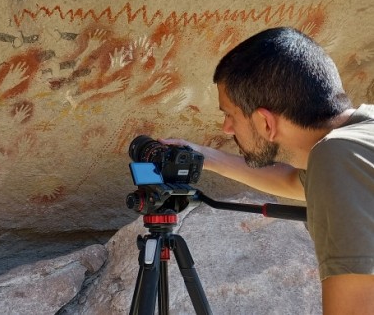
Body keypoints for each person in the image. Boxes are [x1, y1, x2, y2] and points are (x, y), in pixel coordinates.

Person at [160, 27, 374, 314]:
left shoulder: (336, 157)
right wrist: (203, 157)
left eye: (230, 114)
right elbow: (292, 181)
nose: (226, 128)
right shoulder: (359, 137)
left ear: (265, 123)